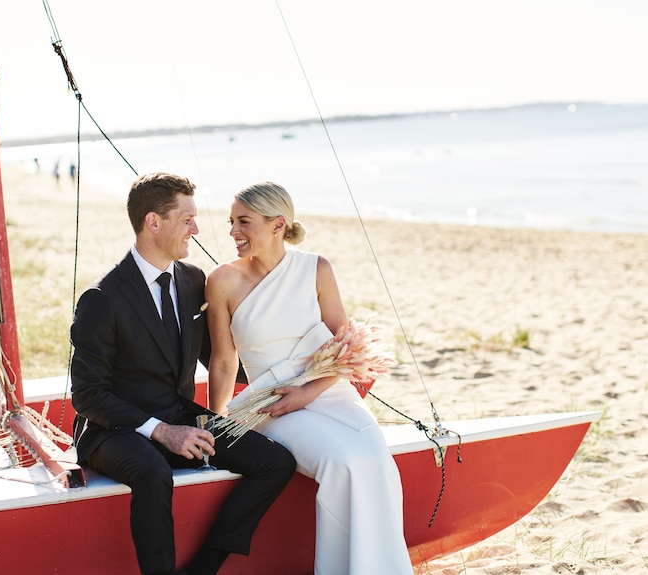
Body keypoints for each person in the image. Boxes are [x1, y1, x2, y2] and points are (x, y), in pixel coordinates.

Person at [69, 172, 296, 575]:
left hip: (179, 414)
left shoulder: (192, 280)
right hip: (113, 431)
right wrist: (160, 431)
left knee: (275, 461)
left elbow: (218, 358)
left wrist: (295, 373)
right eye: (187, 218)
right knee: (153, 472)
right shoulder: (101, 299)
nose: (197, 228)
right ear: (153, 222)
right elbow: (87, 396)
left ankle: (203, 567)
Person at [205, 181, 414, 574]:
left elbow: (344, 346)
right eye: (231, 221)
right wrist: (217, 427)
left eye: (243, 222)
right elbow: (221, 362)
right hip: (270, 405)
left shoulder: (316, 268)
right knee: (344, 460)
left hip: (327, 392)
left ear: (278, 224)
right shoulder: (222, 281)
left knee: (377, 460)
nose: (232, 231)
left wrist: (307, 392)